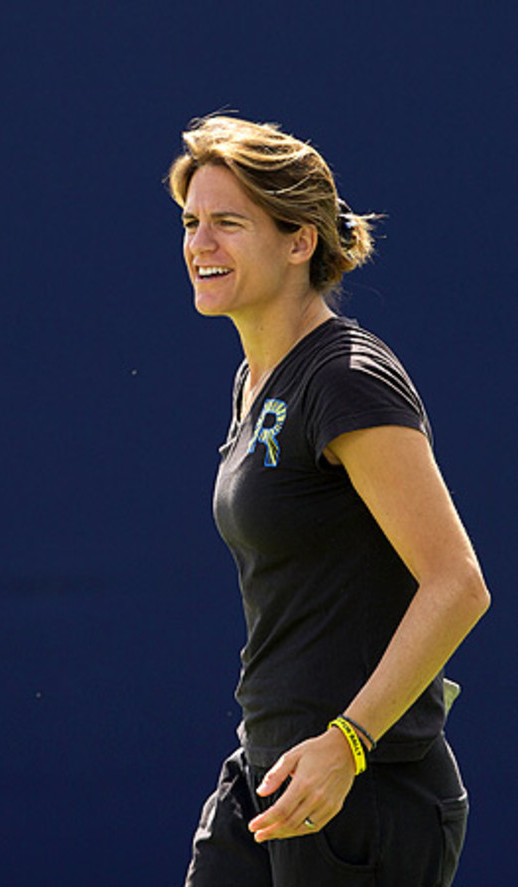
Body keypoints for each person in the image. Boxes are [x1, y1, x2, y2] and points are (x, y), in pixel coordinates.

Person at [168, 115, 490, 886]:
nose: (199, 245)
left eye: (227, 223)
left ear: (299, 239)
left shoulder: (345, 375)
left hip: (366, 793)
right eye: (190, 222)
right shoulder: (256, 382)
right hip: (271, 774)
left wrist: (348, 742)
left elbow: (458, 584)